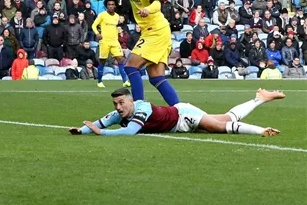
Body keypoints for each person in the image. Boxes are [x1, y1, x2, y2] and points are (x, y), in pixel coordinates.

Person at [95, 0, 180, 106]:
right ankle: (181, 110)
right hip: (152, 31)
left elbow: (156, 2)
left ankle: (138, 108)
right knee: (156, 78)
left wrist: (148, 9)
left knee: (130, 66)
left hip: (156, 30)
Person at [69, 87, 283, 137]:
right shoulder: (119, 114)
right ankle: (260, 98)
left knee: (218, 127)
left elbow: (129, 132)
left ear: (130, 101)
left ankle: (260, 131)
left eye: (121, 103)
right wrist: (80, 131)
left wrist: (101, 133)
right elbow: (97, 123)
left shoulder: (141, 108)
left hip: (183, 116)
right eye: (116, 104)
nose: (118, 107)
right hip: (178, 122)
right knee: (227, 118)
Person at [91, 0, 130, 88]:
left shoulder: (117, 16)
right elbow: (93, 25)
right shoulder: (102, 15)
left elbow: (115, 27)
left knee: (121, 59)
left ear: (115, 6)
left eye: (112, 5)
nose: (111, 6)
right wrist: (97, 33)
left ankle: (125, 81)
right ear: (106, 6)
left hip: (114, 41)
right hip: (104, 41)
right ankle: (99, 81)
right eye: (109, 5)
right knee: (103, 61)